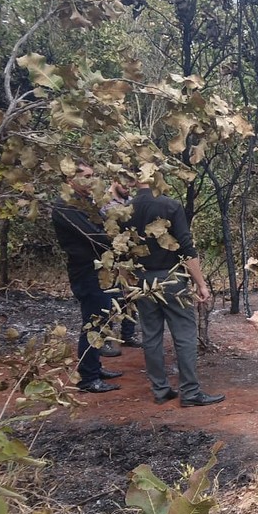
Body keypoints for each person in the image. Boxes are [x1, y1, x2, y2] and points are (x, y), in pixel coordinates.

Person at [125, 179, 225, 407]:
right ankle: (190, 392)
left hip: (141, 280)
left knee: (151, 336)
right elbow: (186, 247)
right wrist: (200, 283)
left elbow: (122, 250)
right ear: (154, 174)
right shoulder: (169, 205)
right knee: (184, 335)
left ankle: (160, 390)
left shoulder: (126, 209)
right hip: (171, 278)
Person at [51, 161, 124, 393]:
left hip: (98, 269)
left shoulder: (84, 202)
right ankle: (88, 378)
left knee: (101, 319)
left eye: (93, 176)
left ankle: (94, 367)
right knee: (94, 322)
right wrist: (119, 241)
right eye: (87, 176)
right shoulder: (66, 205)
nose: (92, 180)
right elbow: (94, 235)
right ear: (69, 179)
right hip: (85, 271)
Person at [100, 179, 140, 348]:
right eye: (124, 183)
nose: (128, 187)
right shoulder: (103, 201)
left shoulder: (131, 200)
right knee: (109, 298)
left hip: (129, 256)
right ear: (114, 180)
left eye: (131, 183)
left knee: (131, 296)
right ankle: (106, 339)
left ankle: (127, 335)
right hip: (110, 256)